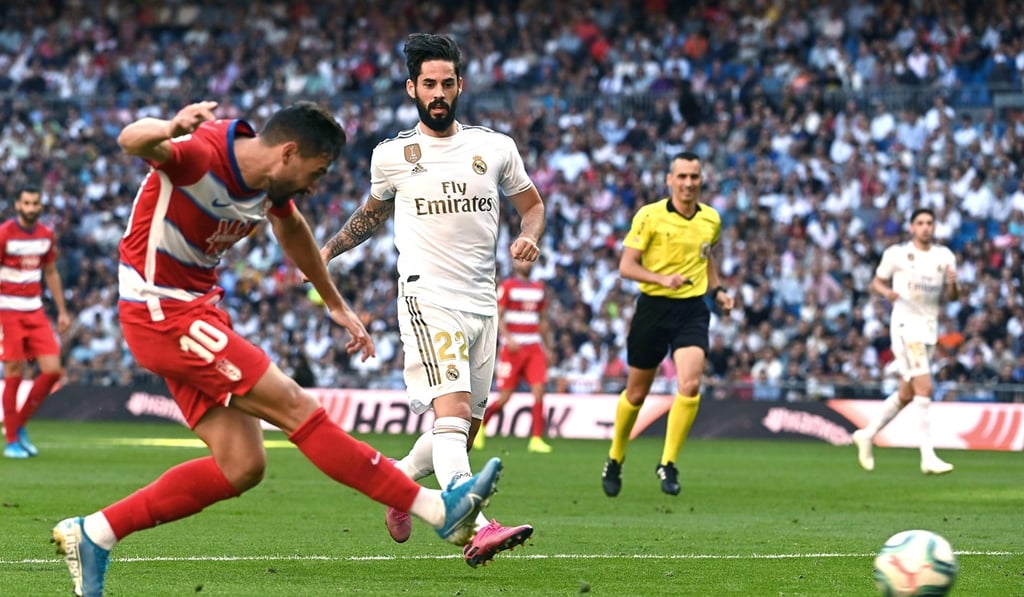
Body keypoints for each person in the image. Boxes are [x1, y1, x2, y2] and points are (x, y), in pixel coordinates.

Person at [51, 100, 504, 597]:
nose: (315, 186)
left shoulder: (265, 183)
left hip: (195, 310)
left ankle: (95, 533)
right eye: (317, 172)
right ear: (288, 153)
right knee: (296, 406)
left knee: (242, 464)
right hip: (161, 312)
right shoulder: (200, 156)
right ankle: (439, 509)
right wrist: (170, 127)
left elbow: (292, 230)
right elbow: (132, 140)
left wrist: (333, 301)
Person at [320, 33, 544, 568]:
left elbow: (532, 206)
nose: (438, 93)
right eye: (429, 85)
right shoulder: (393, 156)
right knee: (453, 413)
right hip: (427, 298)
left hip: (482, 305)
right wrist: (324, 251)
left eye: (446, 83)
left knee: (462, 431)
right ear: (412, 89)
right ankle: (476, 527)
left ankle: (397, 482)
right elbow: (368, 217)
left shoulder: (495, 148)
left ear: (460, 86)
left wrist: (530, 233)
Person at [601, 152, 734, 497]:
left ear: (701, 180)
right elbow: (627, 266)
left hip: (692, 309)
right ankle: (615, 457)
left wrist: (718, 290)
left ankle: (668, 463)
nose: (689, 183)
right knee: (637, 392)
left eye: (695, 177)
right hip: (653, 308)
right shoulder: (650, 216)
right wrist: (662, 279)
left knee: (690, 385)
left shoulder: (711, 219)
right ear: (669, 181)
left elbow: (708, 257)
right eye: (683, 177)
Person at [852, 207, 958, 475]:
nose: (925, 227)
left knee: (907, 393)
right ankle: (927, 456)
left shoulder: (944, 256)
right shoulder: (897, 254)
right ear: (911, 227)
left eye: (929, 223)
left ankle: (867, 434)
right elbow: (876, 282)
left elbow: (953, 297)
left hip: (929, 328)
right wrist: (886, 292)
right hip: (905, 326)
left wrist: (954, 283)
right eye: (920, 223)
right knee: (925, 387)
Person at [0, 186, 71, 458]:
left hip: (35, 309)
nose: (31, 207)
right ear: (17, 205)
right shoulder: (5, 233)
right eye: (26, 203)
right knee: (14, 370)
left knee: (53, 370)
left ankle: (17, 425)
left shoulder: (45, 235)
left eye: (35, 203)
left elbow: (50, 272)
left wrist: (62, 310)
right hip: (7, 309)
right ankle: (12, 441)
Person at [473, 259, 554, 454]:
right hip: (513, 350)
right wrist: (507, 338)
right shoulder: (507, 286)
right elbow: (498, 315)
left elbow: (542, 320)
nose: (525, 263)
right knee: (505, 397)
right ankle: (481, 426)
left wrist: (548, 346)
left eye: (528, 260)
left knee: (539, 390)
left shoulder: (538, 288)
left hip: (534, 347)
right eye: (521, 260)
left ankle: (536, 438)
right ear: (515, 264)